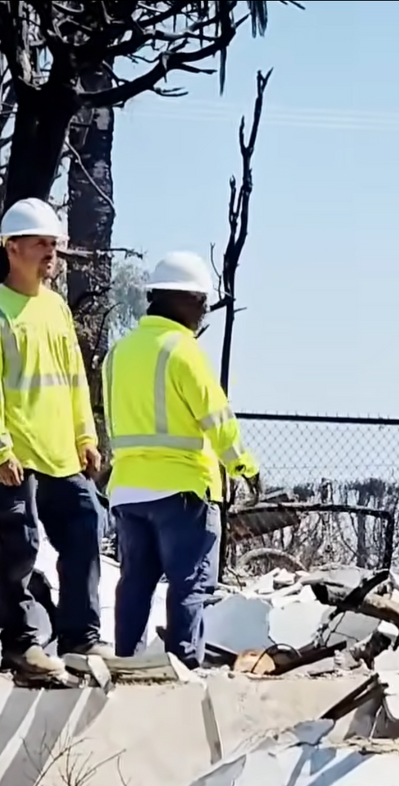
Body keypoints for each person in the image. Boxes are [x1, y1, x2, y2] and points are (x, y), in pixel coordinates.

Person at [0, 197, 107, 679]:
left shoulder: (57, 310)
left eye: (54, 244)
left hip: (62, 454)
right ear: (12, 248)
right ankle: (20, 645)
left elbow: (74, 378)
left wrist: (85, 437)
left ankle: (80, 639)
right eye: (41, 244)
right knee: (19, 546)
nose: (51, 253)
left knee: (86, 525)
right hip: (16, 457)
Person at [103, 252, 259, 669]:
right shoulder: (185, 351)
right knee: (189, 584)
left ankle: (126, 662)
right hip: (183, 491)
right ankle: (184, 666)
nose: (204, 311)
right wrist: (244, 466)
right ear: (185, 299)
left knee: (135, 582)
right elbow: (217, 420)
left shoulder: (118, 353)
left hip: (129, 491)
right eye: (202, 302)